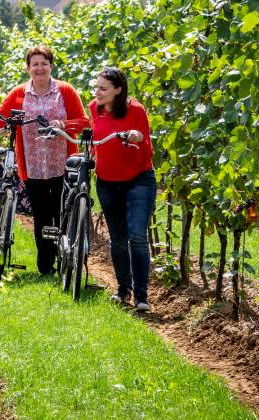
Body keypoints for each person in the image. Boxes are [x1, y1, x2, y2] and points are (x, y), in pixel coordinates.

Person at [0, 45, 88, 275]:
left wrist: (63, 124)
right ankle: (45, 266)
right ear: (28, 68)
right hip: (32, 167)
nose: (39, 68)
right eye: (35, 64)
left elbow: (83, 121)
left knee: (60, 213)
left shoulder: (65, 90)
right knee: (41, 215)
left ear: (51, 66)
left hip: (62, 164)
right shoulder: (19, 93)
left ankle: (65, 258)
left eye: (44, 63)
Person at [88, 68, 155, 312]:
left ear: (118, 90)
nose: (97, 92)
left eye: (103, 89)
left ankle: (142, 295)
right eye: (96, 87)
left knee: (137, 235)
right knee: (117, 239)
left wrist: (138, 138)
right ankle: (123, 289)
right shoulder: (94, 108)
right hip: (107, 182)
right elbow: (94, 142)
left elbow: (147, 151)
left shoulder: (135, 110)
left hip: (138, 179)